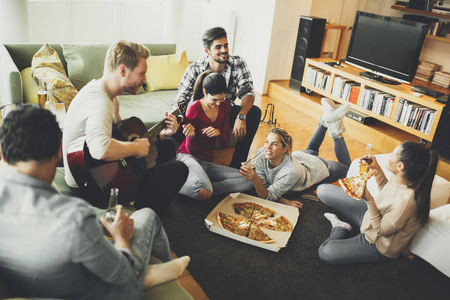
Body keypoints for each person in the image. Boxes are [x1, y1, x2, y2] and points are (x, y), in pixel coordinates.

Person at [0, 105, 190, 299]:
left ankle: (158, 270)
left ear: (2, 154)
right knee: (147, 214)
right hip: (108, 292)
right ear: (59, 151)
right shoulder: (74, 216)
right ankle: (151, 274)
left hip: (49, 282)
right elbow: (121, 275)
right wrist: (121, 237)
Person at [62, 40, 188, 216]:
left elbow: (120, 136)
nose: (144, 80)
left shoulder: (109, 95)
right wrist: (136, 147)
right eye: (142, 73)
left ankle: (145, 203)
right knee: (179, 170)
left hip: (99, 170)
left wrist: (160, 135)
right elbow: (101, 149)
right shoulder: (100, 102)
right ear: (122, 70)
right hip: (92, 185)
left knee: (166, 145)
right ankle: (144, 219)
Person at [317, 141, 439, 264]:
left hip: (377, 243)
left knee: (325, 251)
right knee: (323, 190)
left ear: (400, 166)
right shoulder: (402, 178)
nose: (389, 156)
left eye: (392, 154)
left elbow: (381, 230)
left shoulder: (406, 203)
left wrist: (369, 199)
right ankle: (353, 225)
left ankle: (340, 228)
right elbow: (387, 192)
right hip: (372, 217)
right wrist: (377, 169)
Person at [174, 26, 261, 169]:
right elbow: (181, 99)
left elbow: (248, 92)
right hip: (196, 114)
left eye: (226, 45)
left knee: (255, 113)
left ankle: (237, 164)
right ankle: (185, 161)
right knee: (176, 122)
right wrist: (182, 119)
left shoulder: (238, 63)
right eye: (218, 47)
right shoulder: (194, 68)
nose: (224, 50)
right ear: (207, 51)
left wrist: (241, 116)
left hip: (225, 111)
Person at [239, 98, 352, 208]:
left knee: (347, 167)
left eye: (274, 144)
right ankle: (326, 119)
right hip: (299, 158)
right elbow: (265, 186)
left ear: (284, 148)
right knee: (311, 151)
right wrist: (284, 200)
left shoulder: (291, 172)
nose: (267, 147)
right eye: (267, 142)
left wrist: (256, 180)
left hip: (315, 167)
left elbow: (268, 195)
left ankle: (335, 131)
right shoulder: (263, 154)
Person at [177, 71, 253, 200]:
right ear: (205, 92)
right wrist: (190, 136)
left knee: (250, 180)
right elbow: (191, 150)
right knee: (204, 192)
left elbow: (224, 142)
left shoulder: (225, 107)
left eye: (221, 99)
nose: (218, 103)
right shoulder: (194, 108)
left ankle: (206, 188)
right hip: (188, 157)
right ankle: (178, 184)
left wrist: (218, 134)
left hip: (206, 162)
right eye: (214, 99)